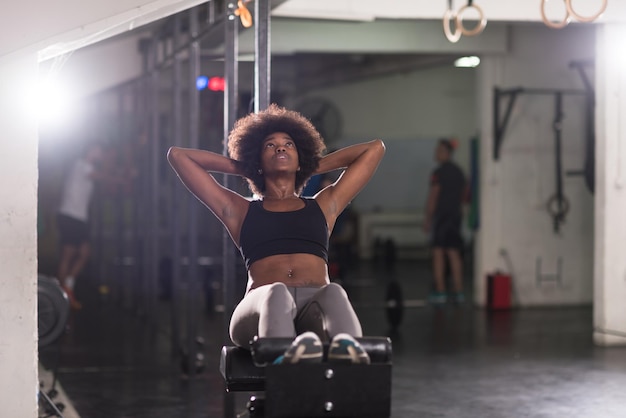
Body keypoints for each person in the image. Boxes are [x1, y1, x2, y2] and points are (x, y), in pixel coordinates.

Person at [167, 104, 385, 364]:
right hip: (260, 307)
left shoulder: (324, 206)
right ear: (257, 158)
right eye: (270, 145)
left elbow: (375, 149)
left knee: (334, 291)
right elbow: (179, 156)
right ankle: (284, 364)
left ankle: (349, 355)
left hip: (312, 306)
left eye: (289, 145)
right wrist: (246, 167)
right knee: (277, 292)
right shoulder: (239, 210)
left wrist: (309, 166)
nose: (280, 148)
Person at [56, 142, 126, 309]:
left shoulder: (84, 166)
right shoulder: (82, 165)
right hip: (70, 216)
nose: (101, 154)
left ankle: (67, 288)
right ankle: (60, 295)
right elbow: (100, 176)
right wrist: (120, 179)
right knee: (69, 254)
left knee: (84, 253)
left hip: (77, 218)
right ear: (92, 150)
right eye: (100, 151)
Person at [423, 139, 467, 304]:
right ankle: (459, 290)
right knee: (454, 252)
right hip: (455, 216)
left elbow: (433, 196)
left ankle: (440, 291)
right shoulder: (459, 172)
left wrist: (428, 218)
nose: (436, 153)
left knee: (438, 252)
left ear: (447, 153)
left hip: (441, 217)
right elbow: (463, 197)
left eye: (439, 150)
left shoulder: (438, 173)